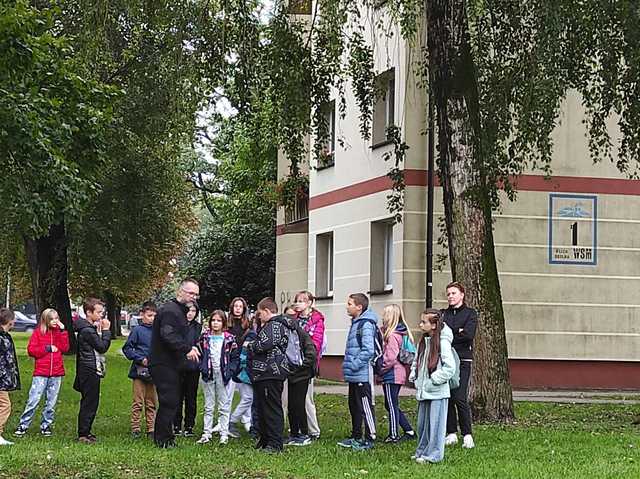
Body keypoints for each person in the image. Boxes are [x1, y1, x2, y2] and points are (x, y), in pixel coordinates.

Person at [150, 278, 201, 448]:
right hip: (163, 363)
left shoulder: (178, 310)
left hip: (170, 363)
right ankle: (163, 440)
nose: (193, 297)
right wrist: (187, 349)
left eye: (196, 294)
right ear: (180, 291)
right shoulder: (171, 311)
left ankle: (165, 437)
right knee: (169, 401)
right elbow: (168, 335)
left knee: (171, 401)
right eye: (191, 293)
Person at [409, 309, 456, 464]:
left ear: (434, 325)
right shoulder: (423, 341)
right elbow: (417, 361)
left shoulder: (442, 342)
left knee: (435, 426)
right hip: (424, 391)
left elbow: (450, 368)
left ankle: (434, 455)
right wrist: (414, 375)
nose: (420, 324)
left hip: (437, 392)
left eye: (424, 322)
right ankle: (422, 451)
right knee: (422, 425)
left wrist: (433, 380)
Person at [14, 308, 69, 437]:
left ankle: (46, 425)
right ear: (45, 320)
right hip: (41, 373)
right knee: (34, 399)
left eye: (57, 318)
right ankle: (23, 424)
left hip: (56, 373)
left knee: (51, 402)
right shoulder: (38, 333)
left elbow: (65, 348)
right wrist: (47, 348)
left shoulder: (59, 333)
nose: (55, 321)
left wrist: (63, 331)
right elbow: (31, 350)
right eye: (52, 319)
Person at [246, 298, 291, 453]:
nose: (258, 317)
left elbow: (264, 344)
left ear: (266, 311)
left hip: (271, 372)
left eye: (259, 313)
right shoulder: (273, 325)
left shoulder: (275, 325)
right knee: (263, 408)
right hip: (264, 373)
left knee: (272, 408)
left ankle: (275, 443)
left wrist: (251, 345)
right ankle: (265, 440)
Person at [337, 293, 378, 451]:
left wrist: (354, 365)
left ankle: (370, 437)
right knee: (353, 405)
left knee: (365, 406)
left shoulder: (365, 324)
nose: (347, 306)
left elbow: (368, 350)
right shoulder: (355, 323)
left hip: (362, 373)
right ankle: (356, 435)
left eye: (350, 304)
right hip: (354, 374)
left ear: (359, 307)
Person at [442, 281, 478, 449]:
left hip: (463, 360)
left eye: (454, 293)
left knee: (459, 397)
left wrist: (453, 334)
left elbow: (468, 335)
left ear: (462, 295)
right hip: (446, 360)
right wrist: (458, 332)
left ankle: (467, 434)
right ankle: (451, 433)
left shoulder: (470, 313)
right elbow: (440, 335)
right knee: (447, 396)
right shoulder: (443, 314)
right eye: (448, 294)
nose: (450, 296)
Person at [73, 297, 112, 444]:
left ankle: (86, 431)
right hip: (89, 369)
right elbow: (102, 347)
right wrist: (107, 331)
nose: (101, 315)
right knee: (90, 402)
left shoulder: (86, 328)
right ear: (89, 312)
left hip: (86, 368)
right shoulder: (87, 330)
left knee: (90, 401)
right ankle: (83, 433)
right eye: (99, 312)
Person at [196, 310, 236, 445]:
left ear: (223, 322)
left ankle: (224, 433)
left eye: (219, 321)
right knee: (208, 405)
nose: (216, 323)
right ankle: (206, 433)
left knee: (224, 404)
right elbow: (200, 354)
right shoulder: (204, 338)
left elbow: (234, 357)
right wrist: (202, 367)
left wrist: (230, 371)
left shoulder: (229, 339)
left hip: (223, 374)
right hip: (208, 373)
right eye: (213, 320)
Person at [379, 304, 415, 443]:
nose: (383, 317)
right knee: (390, 404)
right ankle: (408, 430)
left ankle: (393, 434)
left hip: (391, 373)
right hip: (397, 373)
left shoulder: (393, 335)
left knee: (391, 404)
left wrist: (380, 369)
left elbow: (390, 357)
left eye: (385, 314)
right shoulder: (400, 332)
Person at [292, 291, 325, 440]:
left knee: (306, 399)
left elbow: (316, 343)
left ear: (310, 303)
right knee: (293, 399)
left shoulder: (317, 320)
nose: (298, 303)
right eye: (297, 301)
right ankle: (297, 428)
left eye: (302, 301)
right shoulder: (294, 319)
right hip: (294, 362)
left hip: (307, 364)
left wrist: (307, 358)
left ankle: (313, 430)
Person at [283, 305, 317, 447]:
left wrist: (300, 367)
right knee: (291, 405)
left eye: (292, 317)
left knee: (299, 404)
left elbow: (311, 354)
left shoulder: (302, 334)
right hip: (291, 374)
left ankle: (304, 433)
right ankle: (294, 433)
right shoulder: (286, 335)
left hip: (302, 375)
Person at [122, 301, 157, 439]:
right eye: (149, 315)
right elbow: (127, 348)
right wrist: (140, 358)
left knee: (152, 401)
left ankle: (151, 428)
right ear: (142, 315)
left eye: (154, 316)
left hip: (154, 371)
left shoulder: (158, 332)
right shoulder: (137, 331)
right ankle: (135, 428)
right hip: (139, 370)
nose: (152, 318)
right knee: (138, 401)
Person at [228, 309, 257, 438]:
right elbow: (244, 355)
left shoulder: (252, 334)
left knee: (249, 398)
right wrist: (242, 369)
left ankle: (247, 423)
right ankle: (232, 421)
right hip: (245, 372)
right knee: (248, 398)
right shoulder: (251, 335)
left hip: (249, 372)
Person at [174, 303, 202, 437]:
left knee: (191, 397)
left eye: (193, 311)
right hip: (178, 365)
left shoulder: (198, 328)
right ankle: (176, 425)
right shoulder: (177, 326)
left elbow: (201, 344)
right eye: (188, 310)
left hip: (193, 366)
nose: (190, 313)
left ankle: (189, 425)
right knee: (177, 396)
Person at [0, 308, 19, 446]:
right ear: (9, 321)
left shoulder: (6, 336)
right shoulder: (2, 338)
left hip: (4, 377)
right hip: (1, 379)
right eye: (13, 319)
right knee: (5, 405)